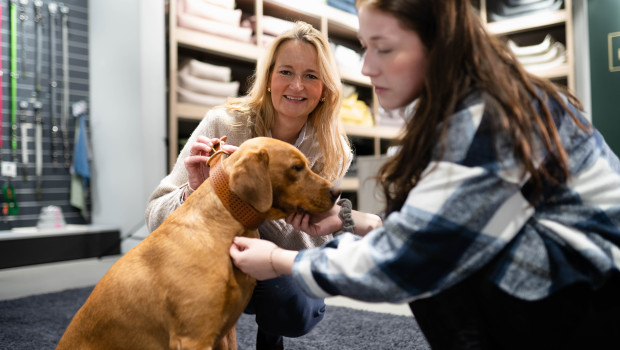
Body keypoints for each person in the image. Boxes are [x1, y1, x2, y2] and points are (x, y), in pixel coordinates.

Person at [230, 0, 620, 348]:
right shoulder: (476, 105)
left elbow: (407, 259)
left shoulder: (483, 126)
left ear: (440, 44)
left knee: (434, 274)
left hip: (596, 301)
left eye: (383, 48)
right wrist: (354, 220)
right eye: (366, 48)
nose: (366, 68)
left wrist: (279, 260)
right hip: (582, 282)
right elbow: (444, 224)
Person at [145, 21, 352, 350]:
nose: (296, 85)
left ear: (325, 87)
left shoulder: (333, 150)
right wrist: (195, 193)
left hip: (274, 264)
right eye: (285, 71)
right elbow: (154, 216)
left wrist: (252, 203)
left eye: (311, 75)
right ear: (269, 78)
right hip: (208, 259)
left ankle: (271, 330)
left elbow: (317, 244)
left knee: (293, 306)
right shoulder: (222, 124)